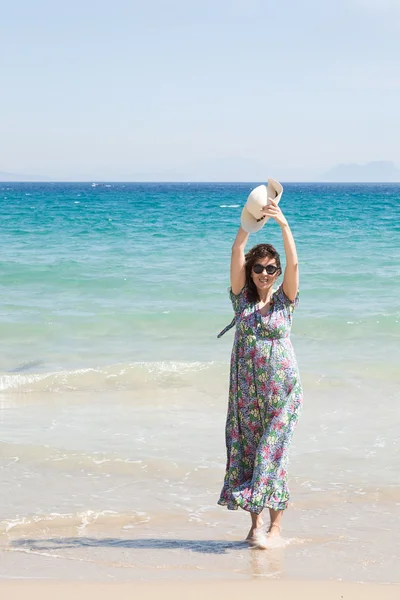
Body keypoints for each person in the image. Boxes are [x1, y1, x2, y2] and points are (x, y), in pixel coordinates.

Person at [217, 196, 303, 549]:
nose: (265, 274)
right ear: (250, 271)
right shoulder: (242, 300)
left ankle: (277, 528)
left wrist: (283, 225)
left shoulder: (285, 300)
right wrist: (248, 224)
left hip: (283, 392)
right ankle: (256, 527)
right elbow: (237, 248)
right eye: (259, 268)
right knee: (250, 452)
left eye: (271, 269)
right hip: (246, 393)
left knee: (272, 452)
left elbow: (296, 263)